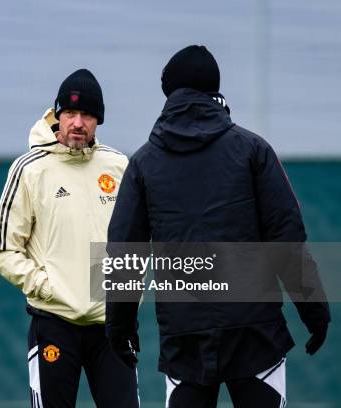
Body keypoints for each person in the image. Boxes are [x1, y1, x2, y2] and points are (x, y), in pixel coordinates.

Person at [106, 45, 330, 407]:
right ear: (216, 92)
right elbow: (286, 238)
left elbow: (123, 249)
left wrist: (119, 325)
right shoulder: (253, 150)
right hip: (255, 333)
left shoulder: (144, 163)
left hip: (185, 339)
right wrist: (314, 310)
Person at [0, 69, 139, 407]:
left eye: (87, 114)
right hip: (54, 324)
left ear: (97, 120)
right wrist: (47, 286)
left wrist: (127, 297)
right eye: (70, 113)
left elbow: (135, 240)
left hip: (110, 326)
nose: (77, 122)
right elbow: (2, 250)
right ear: (57, 116)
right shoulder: (29, 169)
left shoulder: (118, 166)